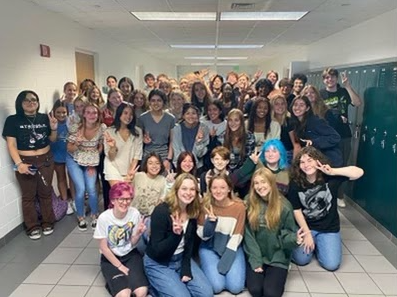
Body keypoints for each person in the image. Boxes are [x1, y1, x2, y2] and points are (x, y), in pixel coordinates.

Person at [288, 146, 364, 271]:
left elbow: (359, 172)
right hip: (307, 227)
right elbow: (296, 210)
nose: (306, 165)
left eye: (310, 160)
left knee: (331, 265)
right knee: (301, 260)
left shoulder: (330, 177)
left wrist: (333, 171)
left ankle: (321, 244)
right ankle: (314, 243)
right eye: (302, 162)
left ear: (318, 161)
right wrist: (307, 234)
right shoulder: (296, 182)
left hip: (329, 228)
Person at [143, 173, 213, 297]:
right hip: (159, 262)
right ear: (176, 190)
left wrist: (186, 269)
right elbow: (158, 251)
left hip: (180, 258)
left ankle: (169, 285)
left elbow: (189, 244)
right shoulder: (161, 211)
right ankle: (155, 287)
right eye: (184, 188)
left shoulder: (192, 210)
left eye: (192, 189)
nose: (188, 193)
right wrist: (176, 235)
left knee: (206, 294)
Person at [3, 90, 58, 240]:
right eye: (26, 100)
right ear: (20, 103)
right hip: (25, 161)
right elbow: (11, 144)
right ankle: (32, 226)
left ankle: (48, 222)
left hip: (46, 160)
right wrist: (19, 163)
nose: (31, 102)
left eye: (34, 99)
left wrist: (53, 128)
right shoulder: (13, 120)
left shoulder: (43, 118)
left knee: (45, 193)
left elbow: (52, 139)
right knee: (28, 196)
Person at [244, 167, 301, 297]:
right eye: (256, 183)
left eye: (263, 182)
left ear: (271, 183)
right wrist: (256, 260)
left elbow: (287, 235)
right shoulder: (248, 201)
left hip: (277, 256)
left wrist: (295, 239)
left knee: (271, 293)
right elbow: (248, 235)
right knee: (255, 289)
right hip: (256, 254)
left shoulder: (284, 206)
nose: (260, 186)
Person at [94, 182, 149, 297]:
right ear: (113, 200)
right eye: (121, 199)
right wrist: (119, 266)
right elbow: (104, 248)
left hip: (130, 254)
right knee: (125, 294)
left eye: (128, 199)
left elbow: (132, 243)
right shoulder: (104, 218)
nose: (125, 202)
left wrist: (138, 234)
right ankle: (114, 284)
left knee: (141, 291)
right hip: (110, 258)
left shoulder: (134, 213)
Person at [320, 67, 363, 208]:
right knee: (326, 164)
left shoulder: (343, 92)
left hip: (343, 135)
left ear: (336, 78)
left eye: (332, 77)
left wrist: (348, 86)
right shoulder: (320, 94)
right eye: (327, 77)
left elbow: (357, 103)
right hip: (326, 136)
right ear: (323, 80)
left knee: (343, 165)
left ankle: (339, 195)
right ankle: (326, 193)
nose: (330, 79)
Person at [197, 174, 246, 295]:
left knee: (235, 287)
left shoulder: (239, 207)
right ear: (210, 189)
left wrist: (226, 261)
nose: (218, 191)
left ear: (229, 189)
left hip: (231, 247)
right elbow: (203, 236)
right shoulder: (205, 206)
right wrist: (210, 223)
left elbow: (237, 235)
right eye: (214, 188)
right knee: (217, 286)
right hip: (209, 247)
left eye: (222, 187)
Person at [66, 103, 107, 231]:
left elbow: (100, 146)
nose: (91, 115)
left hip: (91, 161)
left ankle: (95, 214)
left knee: (91, 188)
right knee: (81, 188)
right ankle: (80, 216)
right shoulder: (76, 127)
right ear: (83, 114)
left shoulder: (102, 128)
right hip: (74, 159)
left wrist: (92, 161)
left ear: (98, 114)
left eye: (94, 113)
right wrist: (77, 143)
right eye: (88, 112)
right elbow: (69, 148)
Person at [290, 95, 342, 167]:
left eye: (301, 105)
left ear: (307, 108)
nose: (297, 107)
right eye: (295, 105)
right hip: (314, 162)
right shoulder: (295, 124)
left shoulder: (316, 121)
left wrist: (313, 142)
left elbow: (335, 137)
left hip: (329, 161)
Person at [103, 103, 142, 187]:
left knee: (128, 196)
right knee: (118, 194)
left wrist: (130, 173)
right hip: (113, 167)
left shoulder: (138, 132)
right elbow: (111, 157)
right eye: (125, 113)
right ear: (119, 113)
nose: (128, 116)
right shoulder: (109, 131)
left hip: (129, 168)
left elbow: (137, 156)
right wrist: (113, 147)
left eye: (131, 114)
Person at [139, 89, 175, 171]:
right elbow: (138, 140)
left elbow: (172, 141)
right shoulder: (142, 118)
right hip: (148, 155)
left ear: (163, 102)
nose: (156, 103)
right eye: (153, 100)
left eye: (159, 100)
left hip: (164, 155)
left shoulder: (170, 118)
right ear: (149, 102)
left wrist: (168, 159)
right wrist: (143, 139)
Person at [50, 100, 74, 214]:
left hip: (70, 155)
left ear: (67, 112)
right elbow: (52, 139)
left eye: (64, 112)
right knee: (61, 178)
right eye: (58, 112)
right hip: (57, 154)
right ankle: (65, 202)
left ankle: (74, 200)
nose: (61, 115)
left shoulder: (70, 122)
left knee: (72, 178)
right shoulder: (51, 123)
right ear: (54, 112)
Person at [172, 103, 209, 173]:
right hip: (180, 166)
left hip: (198, 167)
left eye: (193, 113)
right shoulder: (176, 129)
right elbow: (176, 150)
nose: (191, 116)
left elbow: (200, 154)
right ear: (183, 115)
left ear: (198, 115)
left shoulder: (203, 128)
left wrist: (198, 142)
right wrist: (182, 165)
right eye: (187, 113)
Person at [130, 152, 167, 217]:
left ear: (161, 165)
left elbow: (163, 199)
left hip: (151, 217)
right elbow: (125, 192)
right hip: (133, 215)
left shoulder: (163, 180)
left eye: (157, 163)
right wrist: (128, 180)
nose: (154, 166)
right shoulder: (137, 176)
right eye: (150, 163)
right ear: (146, 165)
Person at [271, 94, 300, 164]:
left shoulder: (289, 121)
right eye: (277, 104)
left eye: (282, 104)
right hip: (271, 153)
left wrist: (294, 164)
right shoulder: (269, 122)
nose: (280, 106)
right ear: (272, 106)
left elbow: (296, 145)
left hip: (287, 155)